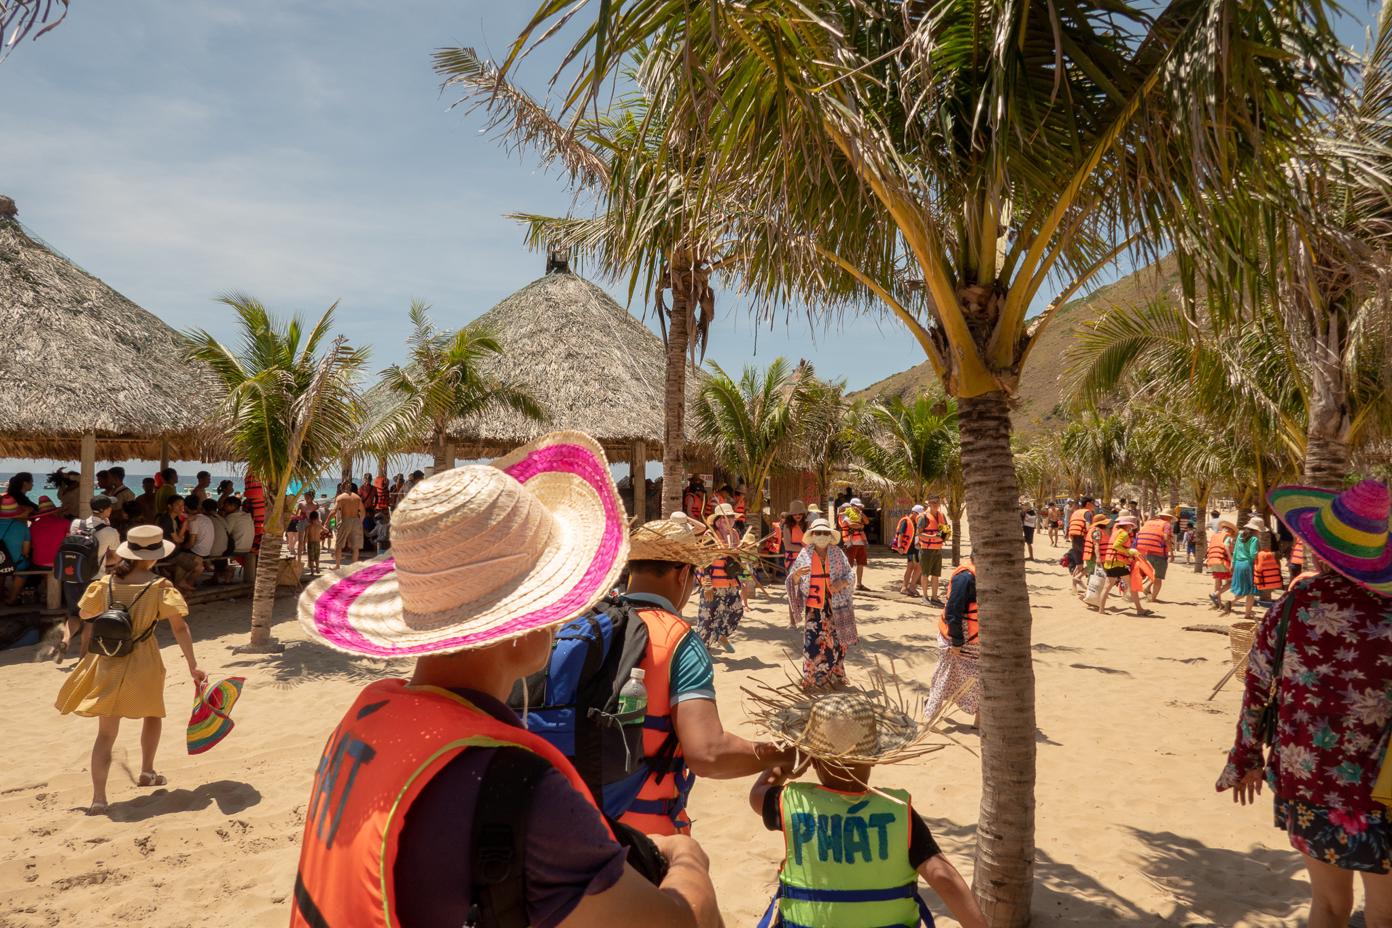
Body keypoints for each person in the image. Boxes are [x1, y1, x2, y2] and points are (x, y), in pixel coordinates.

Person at [290, 433, 722, 927]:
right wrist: (689, 858)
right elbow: (680, 922)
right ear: (523, 622)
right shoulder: (516, 784)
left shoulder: (367, 717)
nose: (562, 619)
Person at [1219, 480, 1392, 928]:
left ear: (1320, 552)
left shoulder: (1294, 606)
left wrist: (1245, 758)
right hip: (1384, 783)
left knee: (1330, 906)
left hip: (1309, 775)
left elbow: (1257, 686)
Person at [748, 687, 987, 928]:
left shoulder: (791, 803)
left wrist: (781, 767)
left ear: (814, 761)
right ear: (873, 757)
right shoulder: (899, 813)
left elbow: (757, 795)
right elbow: (944, 879)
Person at [54, 525, 204, 815]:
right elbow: (180, 627)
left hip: (109, 659)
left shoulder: (107, 583)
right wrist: (193, 665)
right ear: (155, 556)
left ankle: (99, 798)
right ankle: (147, 771)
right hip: (144, 658)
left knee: (106, 734)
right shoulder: (160, 586)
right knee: (152, 713)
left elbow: (85, 613)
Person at [787, 519, 858, 690]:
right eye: (818, 532)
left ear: (830, 535)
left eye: (825, 533)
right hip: (814, 606)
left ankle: (837, 675)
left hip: (836, 604)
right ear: (812, 535)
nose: (821, 536)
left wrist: (841, 583)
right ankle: (811, 677)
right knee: (812, 643)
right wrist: (796, 575)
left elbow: (851, 574)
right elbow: (792, 580)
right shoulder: (804, 554)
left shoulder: (838, 553)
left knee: (838, 641)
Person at [57, 496, 121, 658]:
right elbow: (116, 558)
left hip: (72, 576)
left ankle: (65, 639)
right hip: (93, 580)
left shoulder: (76, 524)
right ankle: (83, 656)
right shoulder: (110, 532)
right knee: (90, 620)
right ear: (107, 510)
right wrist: (102, 564)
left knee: (74, 614)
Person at [924, 555, 980, 725]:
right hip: (960, 637)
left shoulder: (989, 574)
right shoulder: (965, 578)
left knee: (982, 678)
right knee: (944, 675)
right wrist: (957, 641)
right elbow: (953, 611)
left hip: (977, 642)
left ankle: (981, 719)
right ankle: (930, 716)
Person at [696, 503, 743, 653]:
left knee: (736, 610)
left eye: (731, 517)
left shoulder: (735, 534)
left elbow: (739, 559)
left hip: (731, 581)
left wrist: (745, 578)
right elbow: (704, 561)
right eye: (726, 517)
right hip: (714, 583)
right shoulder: (710, 536)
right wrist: (707, 584)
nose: (729, 520)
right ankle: (702, 651)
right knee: (708, 618)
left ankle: (721, 635)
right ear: (718, 520)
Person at [1095, 513, 1153, 617]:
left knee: (1107, 587)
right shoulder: (1124, 534)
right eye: (1131, 526)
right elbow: (1116, 545)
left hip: (1109, 562)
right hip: (1118, 563)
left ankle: (1101, 610)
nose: (1131, 528)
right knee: (1132, 587)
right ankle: (1139, 609)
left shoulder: (1116, 532)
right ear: (1126, 525)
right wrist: (1129, 551)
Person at [158, 496, 201, 593]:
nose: (181, 507)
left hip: (176, 551)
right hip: (169, 553)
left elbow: (179, 539)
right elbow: (178, 540)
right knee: (199, 567)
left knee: (199, 559)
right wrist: (185, 524)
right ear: (169, 506)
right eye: (177, 505)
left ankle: (181, 586)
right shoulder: (166, 520)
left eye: (182, 505)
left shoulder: (175, 518)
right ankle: (182, 584)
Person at [1226, 516, 1265, 618]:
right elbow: (1253, 555)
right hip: (1248, 565)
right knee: (1250, 591)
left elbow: (1235, 552)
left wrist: (1232, 564)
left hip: (1238, 564)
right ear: (1257, 529)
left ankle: (1232, 602)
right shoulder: (1254, 539)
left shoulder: (1240, 536)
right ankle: (1247, 614)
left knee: (1243, 588)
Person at [1135, 507, 1177, 602]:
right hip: (1159, 553)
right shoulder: (1166, 524)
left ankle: (1147, 588)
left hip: (1145, 552)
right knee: (1158, 577)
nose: (1171, 520)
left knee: (1153, 574)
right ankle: (1153, 599)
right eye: (1171, 518)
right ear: (1168, 517)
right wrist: (1171, 553)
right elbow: (1166, 538)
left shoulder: (1149, 522)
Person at [916, 495, 949, 606]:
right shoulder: (923, 517)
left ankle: (934, 597)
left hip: (938, 549)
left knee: (936, 575)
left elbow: (945, 530)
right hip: (926, 549)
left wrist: (945, 535)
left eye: (937, 502)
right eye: (933, 502)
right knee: (925, 574)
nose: (935, 504)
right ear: (928, 503)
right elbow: (919, 534)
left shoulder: (941, 515)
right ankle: (924, 597)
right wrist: (933, 537)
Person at [0, 494, 33, 605]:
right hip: (16, 564)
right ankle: (11, 599)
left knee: (2, 565)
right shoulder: (22, 527)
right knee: (23, 567)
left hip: (1, 563)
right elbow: (26, 551)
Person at [837, 497, 871, 591]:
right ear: (852, 506)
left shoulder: (858, 514)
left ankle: (859, 584)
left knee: (861, 563)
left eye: (860, 507)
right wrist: (861, 526)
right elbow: (851, 525)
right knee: (849, 564)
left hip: (860, 542)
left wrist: (861, 513)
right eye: (857, 506)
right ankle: (846, 585)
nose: (859, 508)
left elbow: (867, 522)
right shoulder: (844, 514)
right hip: (850, 543)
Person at [331, 482, 365, 567]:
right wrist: (360, 521)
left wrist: (327, 522)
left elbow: (333, 511)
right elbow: (363, 512)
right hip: (356, 520)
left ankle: (337, 565)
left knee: (338, 545)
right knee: (355, 547)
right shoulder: (357, 497)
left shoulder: (340, 497)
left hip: (345, 520)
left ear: (342, 488)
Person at [893, 504, 923, 596]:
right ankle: (909, 587)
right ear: (914, 513)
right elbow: (900, 533)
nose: (919, 517)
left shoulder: (915, 522)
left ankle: (907, 587)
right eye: (918, 515)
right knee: (916, 567)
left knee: (913, 567)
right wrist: (899, 546)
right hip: (911, 549)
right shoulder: (906, 521)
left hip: (915, 548)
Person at [1066, 497, 1096, 592]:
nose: (1094, 505)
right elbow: (1088, 527)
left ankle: (1074, 586)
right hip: (1082, 539)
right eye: (1093, 503)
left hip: (1074, 539)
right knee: (1094, 562)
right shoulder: (1087, 513)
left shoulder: (1076, 512)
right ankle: (1079, 577)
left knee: (1079, 565)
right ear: (1088, 504)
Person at [1206, 520, 1237, 607]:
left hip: (1212, 560)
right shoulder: (1227, 537)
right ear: (1230, 530)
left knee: (1217, 581)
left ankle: (1218, 604)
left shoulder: (1215, 536)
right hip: (1222, 561)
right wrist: (1231, 560)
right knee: (1233, 581)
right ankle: (1215, 594)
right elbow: (1226, 547)